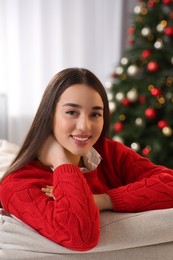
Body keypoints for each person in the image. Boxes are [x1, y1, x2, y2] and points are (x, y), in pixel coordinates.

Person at [1, 67, 173, 252]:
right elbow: (80, 237)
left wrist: (103, 200)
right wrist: (61, 163)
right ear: (49, 116)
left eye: (95, 114)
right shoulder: (17, 184)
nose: (85, 126)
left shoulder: (109, 152)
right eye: (72, 112)